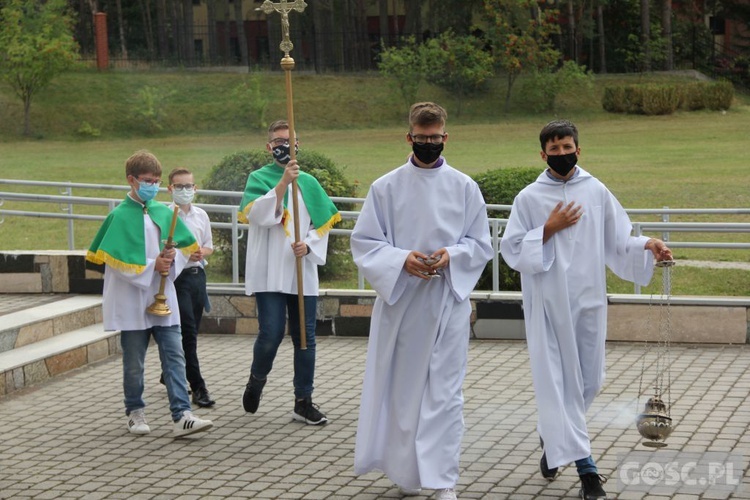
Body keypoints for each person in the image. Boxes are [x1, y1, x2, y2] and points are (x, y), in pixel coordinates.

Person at [499, 119, 673, 500]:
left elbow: (618, 240)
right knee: (562, 384)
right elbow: (511, 250)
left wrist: (649, 245)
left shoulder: (595, 190)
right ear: (542, 154)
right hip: (549, 304)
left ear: (579, 148)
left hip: (589, 299)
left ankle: (555, 436)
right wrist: (548, 228)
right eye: (554, 149)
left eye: (567, 147)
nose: (562, 154)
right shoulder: (529, 198)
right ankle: (588, 472)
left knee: (589, 381)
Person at [350, 102, 493, 500]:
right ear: (409, 136)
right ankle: (406, 473)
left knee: (445, 393)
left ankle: (443, 478)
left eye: (435, 138)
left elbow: (480, 242)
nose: (428, 143)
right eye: (421, 137)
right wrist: (401, 260)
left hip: (447, 299)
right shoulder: (386, 187)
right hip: (403, 304)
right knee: (405, 390)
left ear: (445, 137)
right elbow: (364, 242)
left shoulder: (464, 187)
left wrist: (452, 256)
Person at [86, 150, 214, 437]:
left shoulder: (162, 212)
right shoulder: (119, 216)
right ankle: (135, 411)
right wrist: (151, 265)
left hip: (163, 296)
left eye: (156, 181)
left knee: (174, 355)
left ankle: (182, 415)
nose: (153, 186)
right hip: (132, 299)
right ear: (131, 180)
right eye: (147, 180)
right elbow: (116, 263)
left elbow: (184, 249)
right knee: (135, 362)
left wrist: (172, 259)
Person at [239, 120, 341, 425]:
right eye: (279, 140)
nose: (285, 145)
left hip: (299, 270)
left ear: (298, 144)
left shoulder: (308, 182)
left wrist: (308, 246)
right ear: (269, 146)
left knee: (304, 338)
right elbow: (258, 216)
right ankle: (257, 380)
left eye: (290, 140)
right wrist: (282, 183)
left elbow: (321, 226)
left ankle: (303, 400)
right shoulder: (258, 178)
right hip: (270, 270)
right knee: (270, 333)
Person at [167, 167, 215, 408]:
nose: (184, 191)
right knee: (188, 334)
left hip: (198, 277)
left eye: (189, 186)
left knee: (192, 330)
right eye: (179, 186)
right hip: (178, 280)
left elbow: (208, 245)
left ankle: (170, 373)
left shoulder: (201, 215)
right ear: (170, 189)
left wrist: (200, 252)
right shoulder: (165, 215)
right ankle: (198, 386)